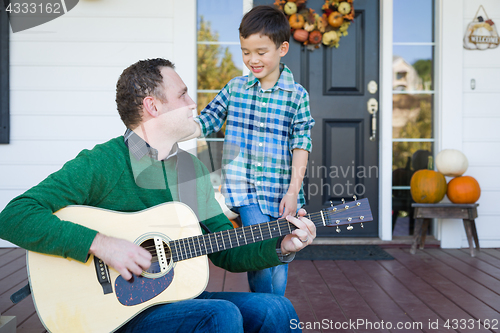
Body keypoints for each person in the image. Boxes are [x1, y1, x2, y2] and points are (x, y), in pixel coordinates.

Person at [0, 58, 316, 332]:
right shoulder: (103, 162)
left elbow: (224, 249)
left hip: (174, 296)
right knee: (221, 315)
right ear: (153, 106)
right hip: (114, 313)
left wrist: (281, 244)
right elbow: (14, 216)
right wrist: (103, 245)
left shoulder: (189, 168)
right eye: (182, 95)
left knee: (277, 309)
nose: (193, 103)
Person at [188, 6, 315, 296]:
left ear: (282, 48)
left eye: (261, 52)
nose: (252, 60)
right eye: (246, 52)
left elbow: (301, 144)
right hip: (247, 192)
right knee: (259, 255)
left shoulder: (297, 95)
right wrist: (175, 128)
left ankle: (274, 310)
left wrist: (294, 190)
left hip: (282, 191)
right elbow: (207, 120)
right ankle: (265, 309)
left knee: (280, 260)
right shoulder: (236, 88)